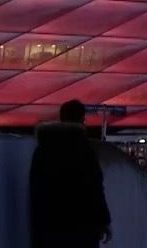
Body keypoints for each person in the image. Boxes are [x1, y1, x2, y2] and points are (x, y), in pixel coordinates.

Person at [28, 100, 112, 248]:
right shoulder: (83, 149)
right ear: (81, 119)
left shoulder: (42, 149)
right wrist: (103, 221)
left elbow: (35, 189)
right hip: (81, 227)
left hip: (48, 227)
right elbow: (94, 188)